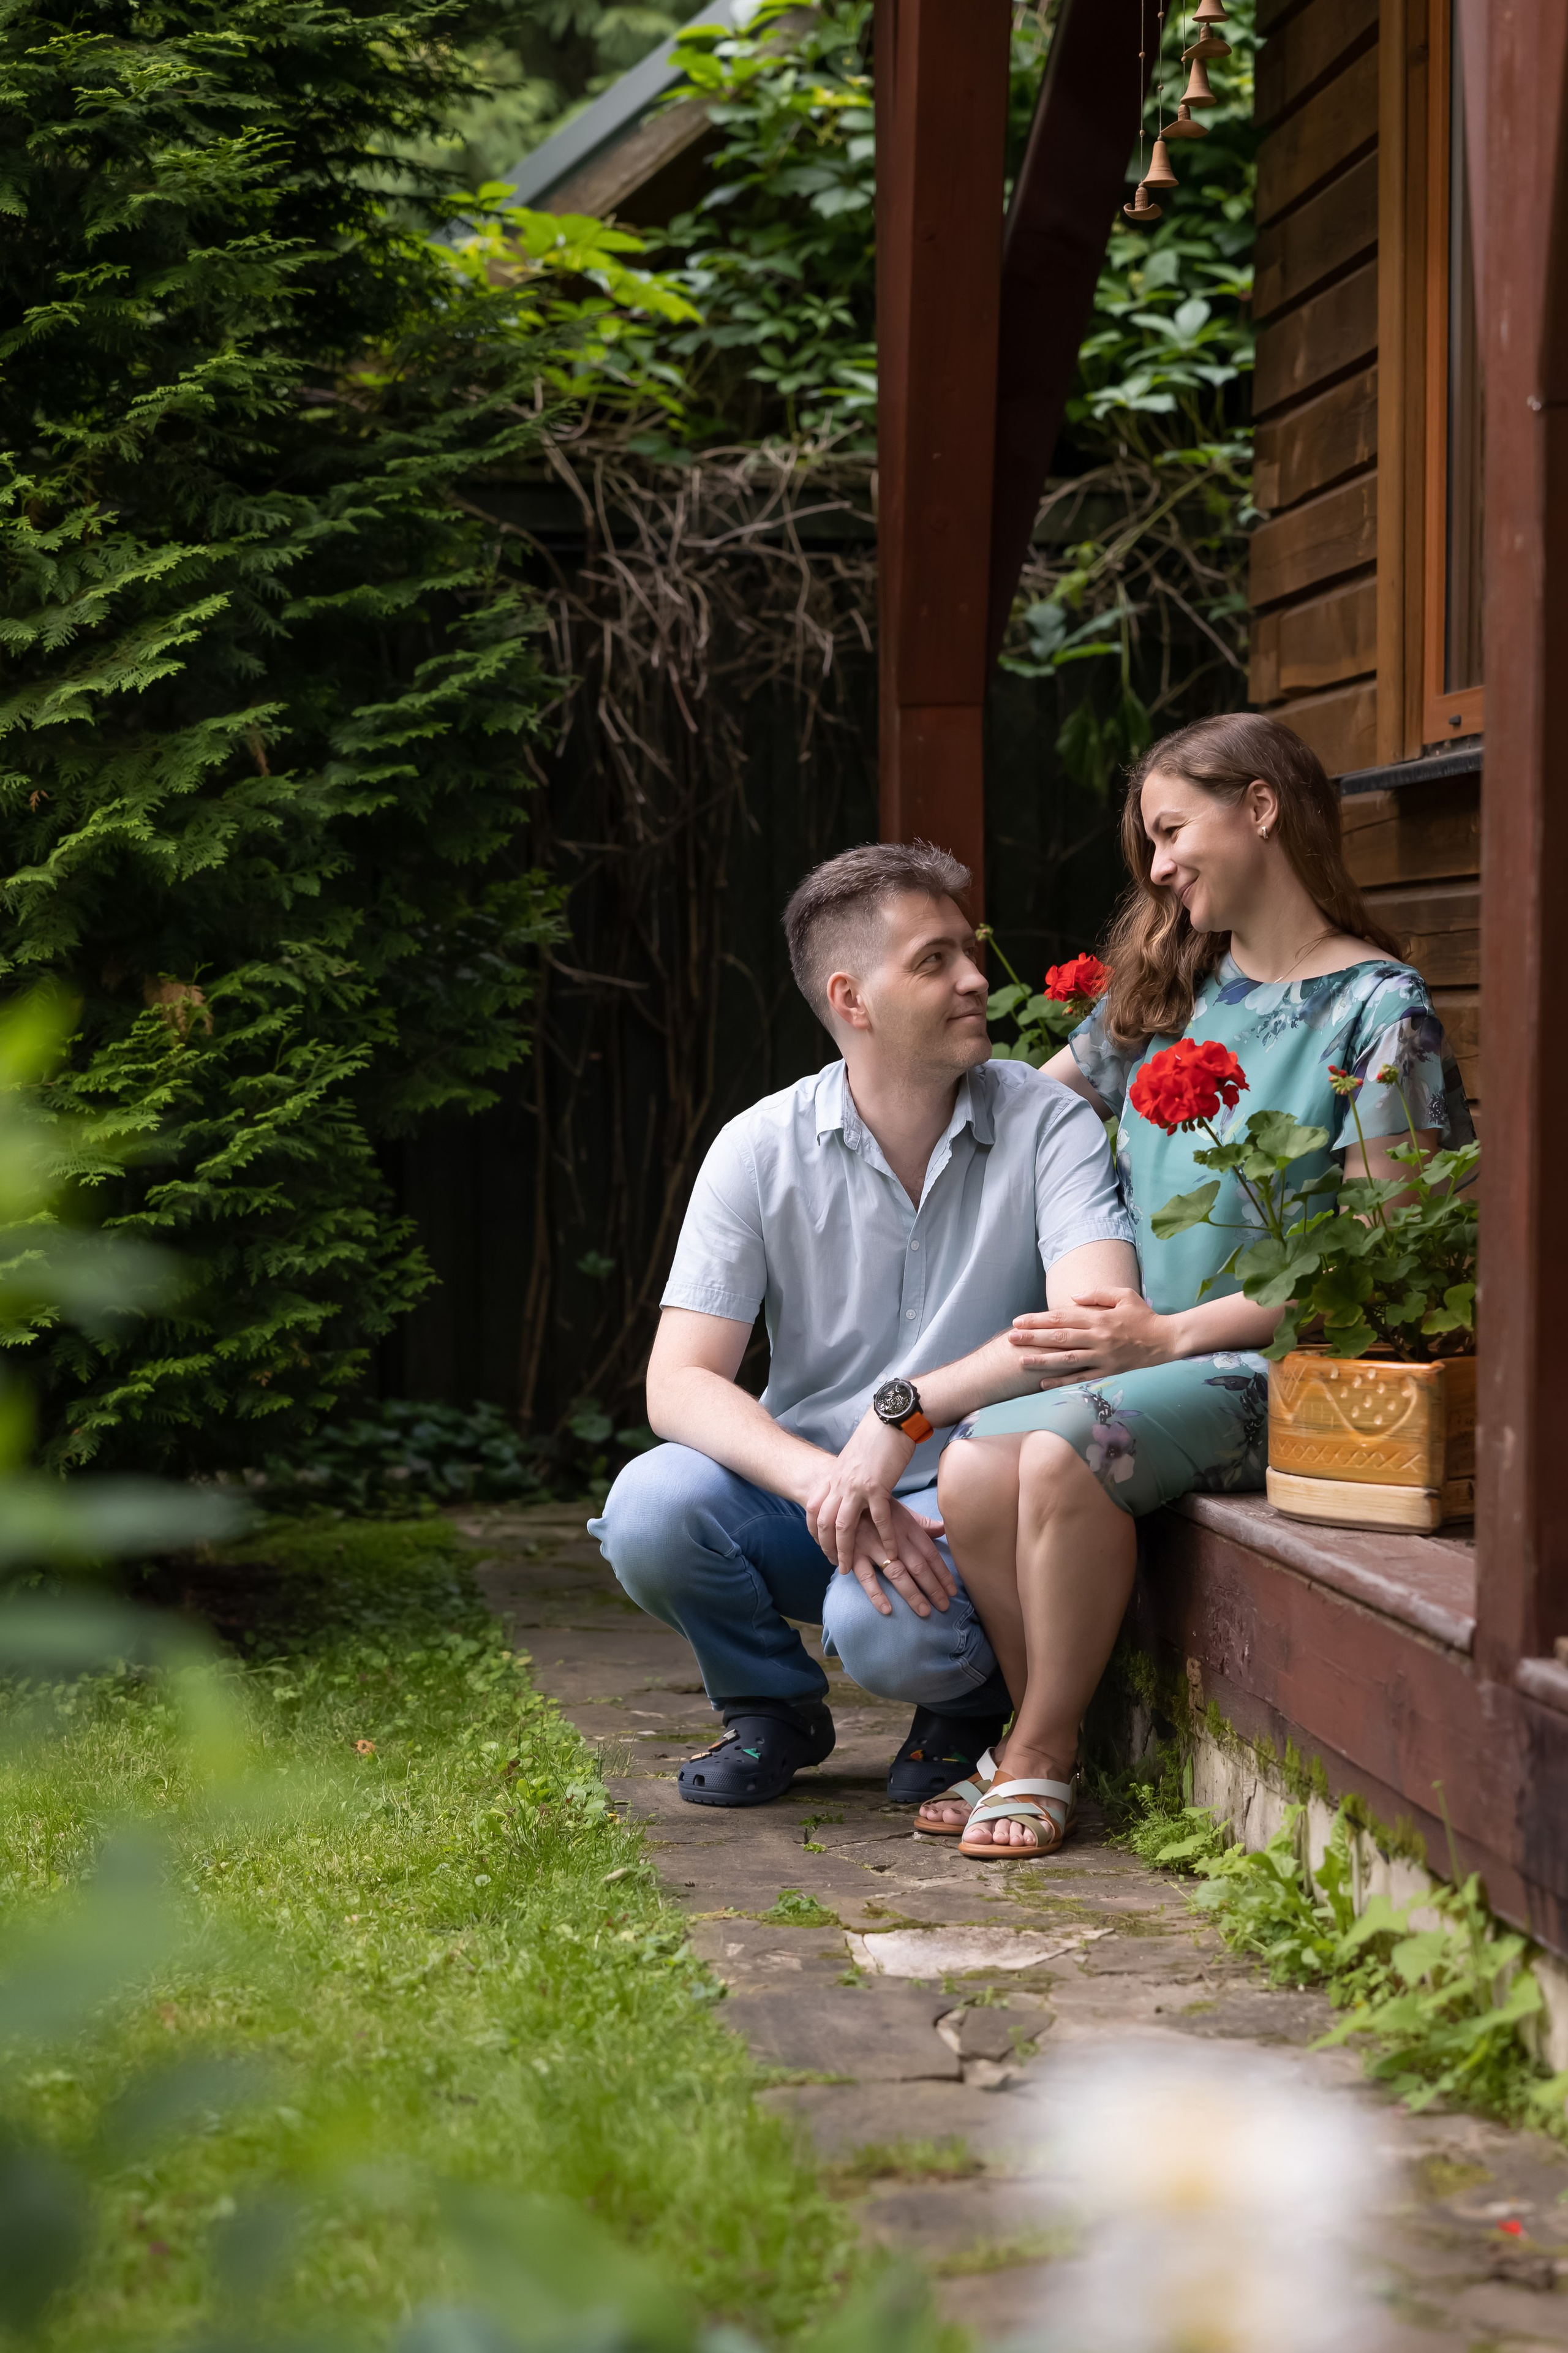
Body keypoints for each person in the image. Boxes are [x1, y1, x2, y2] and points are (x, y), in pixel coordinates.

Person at [913, 711, 1474, 1859]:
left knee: (1064, 1454)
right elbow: (1031, 1106)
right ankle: (1051, 1729)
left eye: (1173, 832)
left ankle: (1038, 1754)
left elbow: (1382, 1265)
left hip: (1284, 1367)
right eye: (1152, 845)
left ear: (1259, 809)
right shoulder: (1176, 989)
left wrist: (1165, 1336)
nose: (1158, 867)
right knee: (972, 1464)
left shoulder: (1380, 1010)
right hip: (1144, 1355)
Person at [589, 840, 1137, 1808]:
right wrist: (829, 1478)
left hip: (980, 1502)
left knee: (888, 1632)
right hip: (823, 1500)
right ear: (852, 999)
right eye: (935, 961)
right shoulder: (758, 1149)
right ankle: (772, 1707)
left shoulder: (1049, 1122)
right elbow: (676, 1380)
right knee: (650, 1507)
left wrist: (906, 1418)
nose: (975, 978)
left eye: (968, 950)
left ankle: (966, 1700)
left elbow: (1094, 1320)